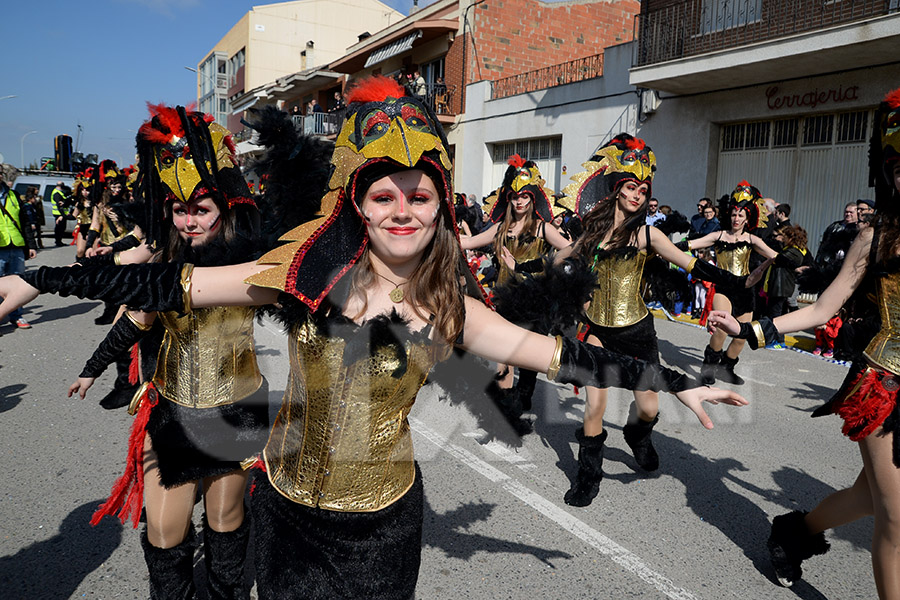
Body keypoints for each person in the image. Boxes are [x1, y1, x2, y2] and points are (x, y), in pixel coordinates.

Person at [0, 77, 746, 599]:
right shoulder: (298, 269)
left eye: (418, 195)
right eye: (383, 194)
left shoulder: (449, 305)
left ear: (440, 202)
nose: (402, 209)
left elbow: (560, 356)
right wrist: (46, 278)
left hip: (383, 533)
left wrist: (672, 381)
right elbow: (176, 286)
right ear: (357, 198)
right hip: (286, 510)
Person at [71, 105, 271, 599]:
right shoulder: (162, 261)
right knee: (165, 530)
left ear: (223, 206)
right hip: (175, 413)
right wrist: (93, 369)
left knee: (226, 519)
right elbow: (134, 323)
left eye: (200, 208)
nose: (188, 220)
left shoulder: (256, 262)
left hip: (238, 410)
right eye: (179, 209)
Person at [708, 87, 900, 598]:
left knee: (868, 497)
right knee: (896, 520)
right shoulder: (875, 235)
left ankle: (794, 535)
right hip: (885, 384)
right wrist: (751, 330)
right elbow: (821, 308)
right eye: (896, 165)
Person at [551, 134, 750, 506]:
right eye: (631, 186)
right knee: (594, 405)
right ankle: (588, 475)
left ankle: (637, 435)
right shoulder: (592, 234)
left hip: (638, 332)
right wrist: (560, 287)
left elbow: (691, 263)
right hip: (597, 330)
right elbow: (560, 259)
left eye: (643, 189)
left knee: (649, 408)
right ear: (615, 189)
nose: (638, 194)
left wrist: (737, 282)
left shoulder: (647, 235)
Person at [460, 155, 572, 413]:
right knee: (501, 356)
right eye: (515, 196)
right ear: (508, 198)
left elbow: (571, 250)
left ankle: (522, 396)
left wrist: (535, 267)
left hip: (534, 301)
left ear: (533, 199)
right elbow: (468, 242)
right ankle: (504, 408)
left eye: (525, 196)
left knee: (528, 360)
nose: (519, 200)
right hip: (503, 299)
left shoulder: (542, 229)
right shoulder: (501, 227)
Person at [685, 181, 778, 384]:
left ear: (747, 219)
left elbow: (774, 256)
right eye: (734, 214)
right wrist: (663, 245)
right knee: (720, 328)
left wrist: (793, 259)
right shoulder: (718, 235)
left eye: (740, 215)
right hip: (723, 288)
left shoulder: (753, 239)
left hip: (745, 290)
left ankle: (725, 369)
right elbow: (692, 244)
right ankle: (708, 369)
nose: (736, 218)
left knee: (741, 336)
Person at [760, 224, 808, 348]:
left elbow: (778, 258)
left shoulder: (794, 252)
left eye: (784, 236)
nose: (782, 238)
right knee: (774, 313)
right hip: (777, 286)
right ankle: (774, 339)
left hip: (781, 287)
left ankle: (778, 341)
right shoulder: (788, 249)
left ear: (791, 238)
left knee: (776, 315)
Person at [0, 177, 37, 330]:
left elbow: (25, 221)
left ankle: (17, 316)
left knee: (19, 284)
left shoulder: (13, 195)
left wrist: (31, 245)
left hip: (17, 246)